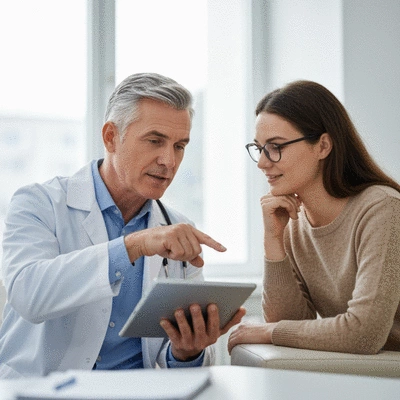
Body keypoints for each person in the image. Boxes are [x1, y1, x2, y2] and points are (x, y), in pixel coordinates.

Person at [0, 72, 245, 379]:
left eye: (179, 146)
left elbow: (173, 362)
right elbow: (29, 296)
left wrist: (186, 352)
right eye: (155, 141)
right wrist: (134, 245)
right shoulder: (39, 203)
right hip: (42, 388)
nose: (169, 161)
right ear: (111, 137)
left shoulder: (178, 227)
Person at [228, 80, 400, 355]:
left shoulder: (383, 209)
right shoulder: (293, 221)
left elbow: (365, 334)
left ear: (322, 146)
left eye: (275, 146)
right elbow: (292, 325)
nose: (261, 162)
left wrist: (267, 331)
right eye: (259, 148)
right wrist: (273, 240)